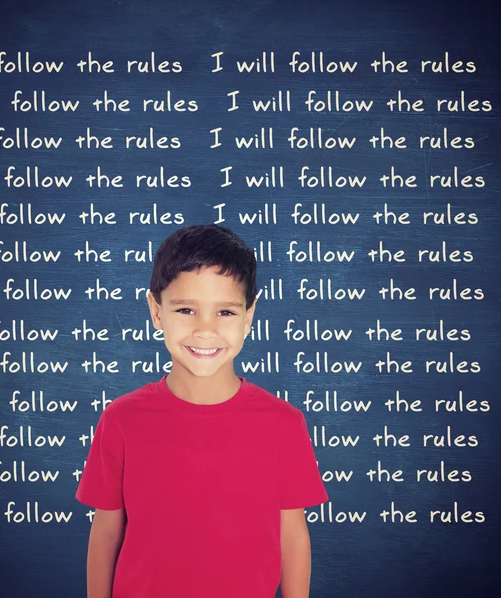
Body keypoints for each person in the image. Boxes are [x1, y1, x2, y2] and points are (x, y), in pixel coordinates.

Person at [75, 224, 329, 598]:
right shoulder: (121, 420)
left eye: (225, 311)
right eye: (186, 310)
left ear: (249, 315)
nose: (205, 330)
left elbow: (292, 535)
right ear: (156, 311)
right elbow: (106, 532)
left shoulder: (284, 424)